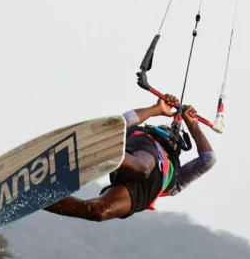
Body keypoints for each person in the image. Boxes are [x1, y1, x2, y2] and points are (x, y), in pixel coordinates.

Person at [43, 93, 216, 222]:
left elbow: (208, 160)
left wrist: (193, 126)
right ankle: (98, 153)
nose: (172, 138)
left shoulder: (175, 179)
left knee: (97, 211)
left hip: (138, 190)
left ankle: (41, 197)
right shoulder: (149, 140)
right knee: (143, 168)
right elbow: (122, 122)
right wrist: (156, 110)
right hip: (140, 153)